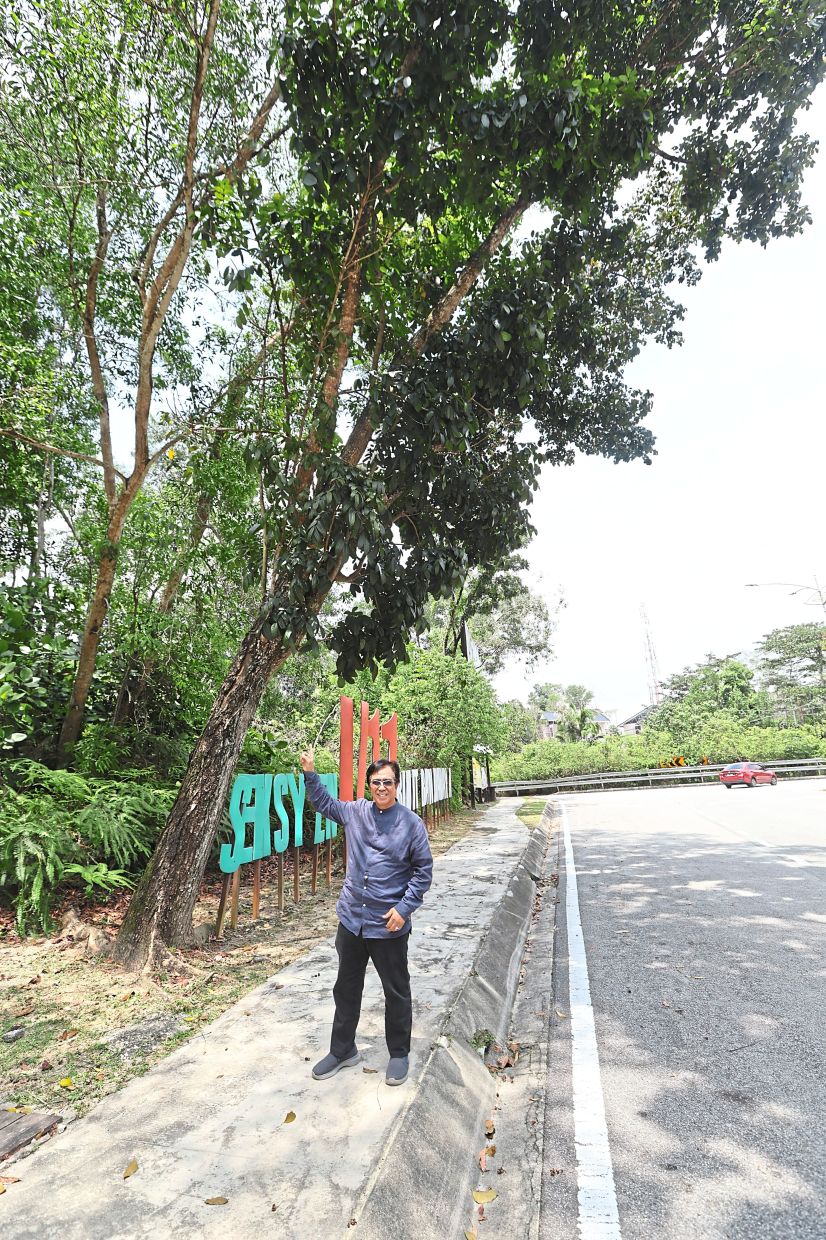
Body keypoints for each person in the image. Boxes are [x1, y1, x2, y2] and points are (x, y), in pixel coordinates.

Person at [300, 747, 433, 1086]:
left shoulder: (411, 824)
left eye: (387, 782)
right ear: (369, 786)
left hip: (388, 923)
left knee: (396, 991)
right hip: (352, 920)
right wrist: (310, 772)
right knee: (345, 988)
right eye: (376, 783)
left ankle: (399, 1053)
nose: (382, 788)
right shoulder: (357, 812)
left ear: (397, 784)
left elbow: (423, 873)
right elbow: (325, 804)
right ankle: (343, 1050)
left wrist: (403, 910)